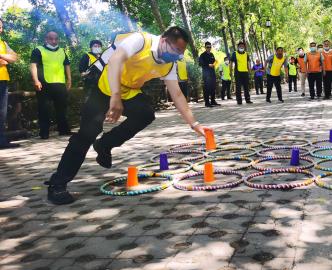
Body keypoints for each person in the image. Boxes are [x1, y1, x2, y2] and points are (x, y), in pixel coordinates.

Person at [46, 27, 207, 204]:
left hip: (128, 90)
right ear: (163, 41)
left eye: (180, 53)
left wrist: (194, 124)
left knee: (145, 114)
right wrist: (115, 97)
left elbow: (177, 94)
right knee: (87, 133)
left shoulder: (169, 64)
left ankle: (104, 144)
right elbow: (115, 60)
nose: (177, 56)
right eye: (176, 50)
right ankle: (57, 184)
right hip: (102, 84)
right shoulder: (140, 40)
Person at [30, 31, 72, 139]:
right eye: (51, 38)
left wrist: (69, 79)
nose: (54, 41)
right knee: (44, 109)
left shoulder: (62, 51)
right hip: (44, 84)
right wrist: (36, 80)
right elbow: (33, 66)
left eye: (56, 39)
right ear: (46, 39)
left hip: (60, 83)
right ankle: (44, 133)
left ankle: (64, 130)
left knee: (62, 108)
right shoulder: (38, 50)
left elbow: (67, 65)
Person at [0, 18, 19, 149]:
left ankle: (1, 141)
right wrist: (4, 58)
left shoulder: (3, 43)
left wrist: (2, 57)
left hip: (2, 80)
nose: (0, 29)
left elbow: (14, 57)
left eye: (1, 27)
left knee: (2, 112)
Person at [198, 42, 219, 108]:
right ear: (205, 47)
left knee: (213, 87)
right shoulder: (202, 55)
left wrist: (215, 63)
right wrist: (208, 65)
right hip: (206, 74)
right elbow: (200, 63)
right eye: (207, 47)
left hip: (212, 73)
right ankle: (207, 102)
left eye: (210, 47)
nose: (209, 48)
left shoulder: (212, 54)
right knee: (207, 88)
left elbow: (214, 61)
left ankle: (213, 101)